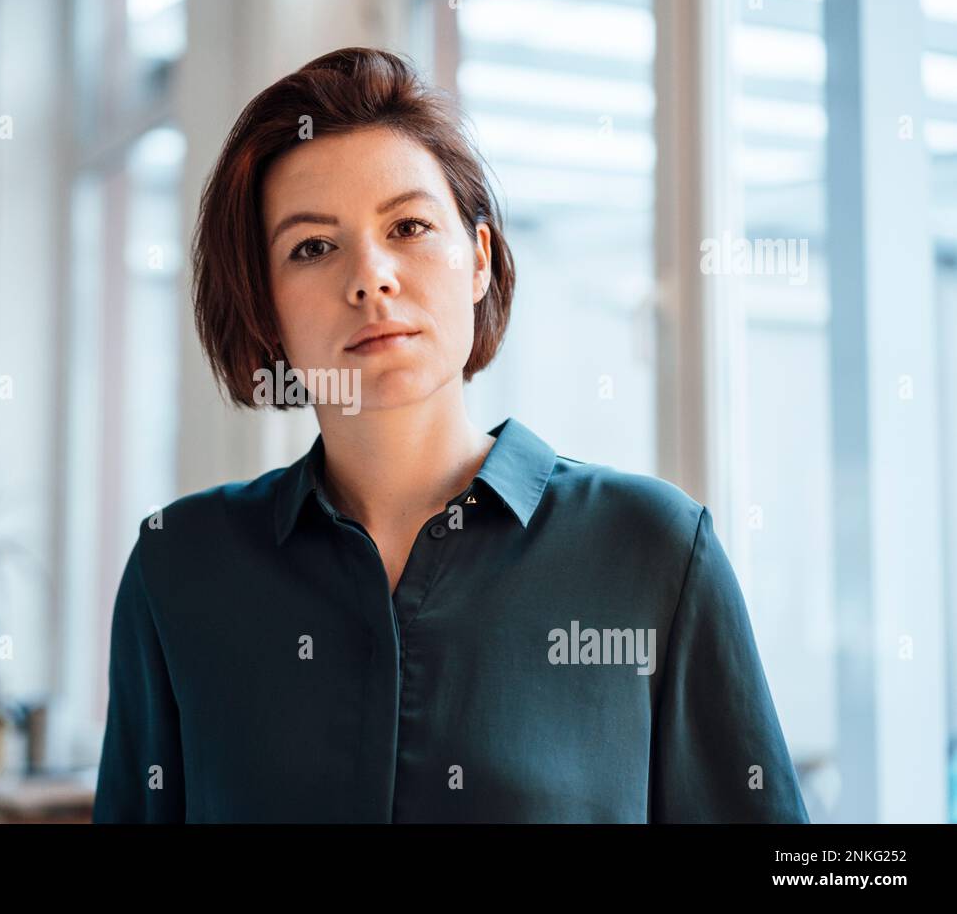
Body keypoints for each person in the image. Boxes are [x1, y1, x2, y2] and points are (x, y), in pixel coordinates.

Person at [93, 47, 809, 823]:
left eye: (409, 226)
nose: (370, 277)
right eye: (313, 247)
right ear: (264, 307)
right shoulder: (179, 568)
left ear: (478, 261)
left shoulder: (654, 550)